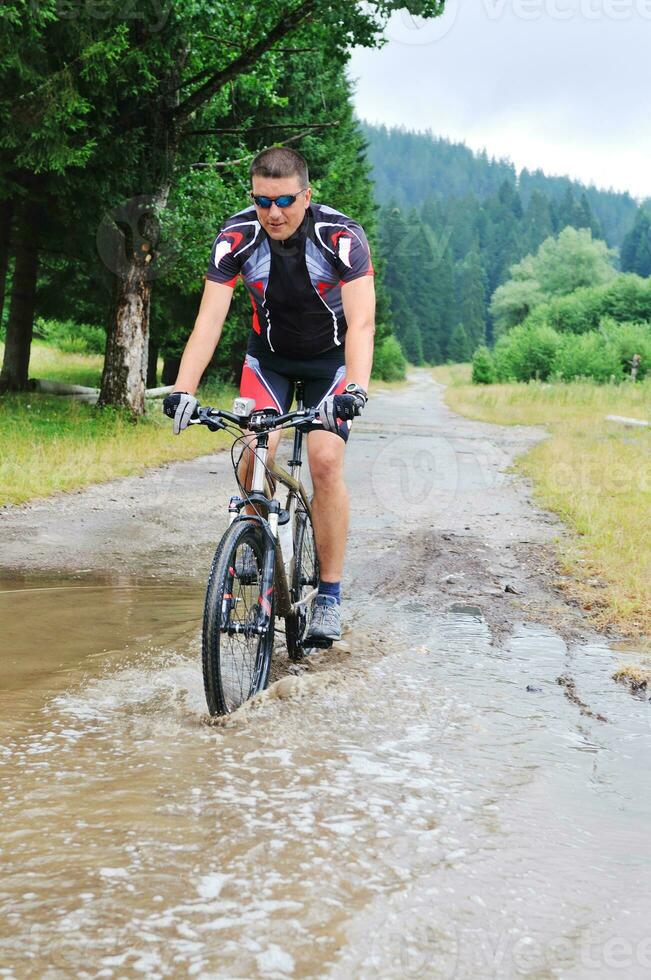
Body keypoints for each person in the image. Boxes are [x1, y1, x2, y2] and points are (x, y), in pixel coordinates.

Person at [163, 147, 375, 643]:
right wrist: (183, 389)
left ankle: (328, 595)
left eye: (283, 200)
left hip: (331, 361)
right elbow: (209, 319)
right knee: (255, 453)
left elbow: (362, 322)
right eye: (262, 201)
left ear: (306, 194)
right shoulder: (237, 235)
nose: (273, 213)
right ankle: (255, 544)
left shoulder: (340, 237)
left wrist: (357, 388)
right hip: (270, 359)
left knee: (324, 460)